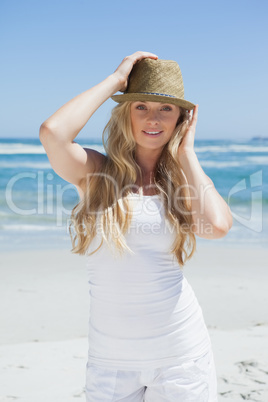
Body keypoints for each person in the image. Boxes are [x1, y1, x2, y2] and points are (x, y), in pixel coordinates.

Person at [40, 51, 233, 402]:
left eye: (166, 109)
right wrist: (116, 80)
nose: (152, 118)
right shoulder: (97, 172)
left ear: (181, 120)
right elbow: (53, 134)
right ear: (125, 112)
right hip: (110, 361)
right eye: (140, 106)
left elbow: (217, 226)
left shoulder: (183, 182)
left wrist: (187, 153)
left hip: (180, 355)